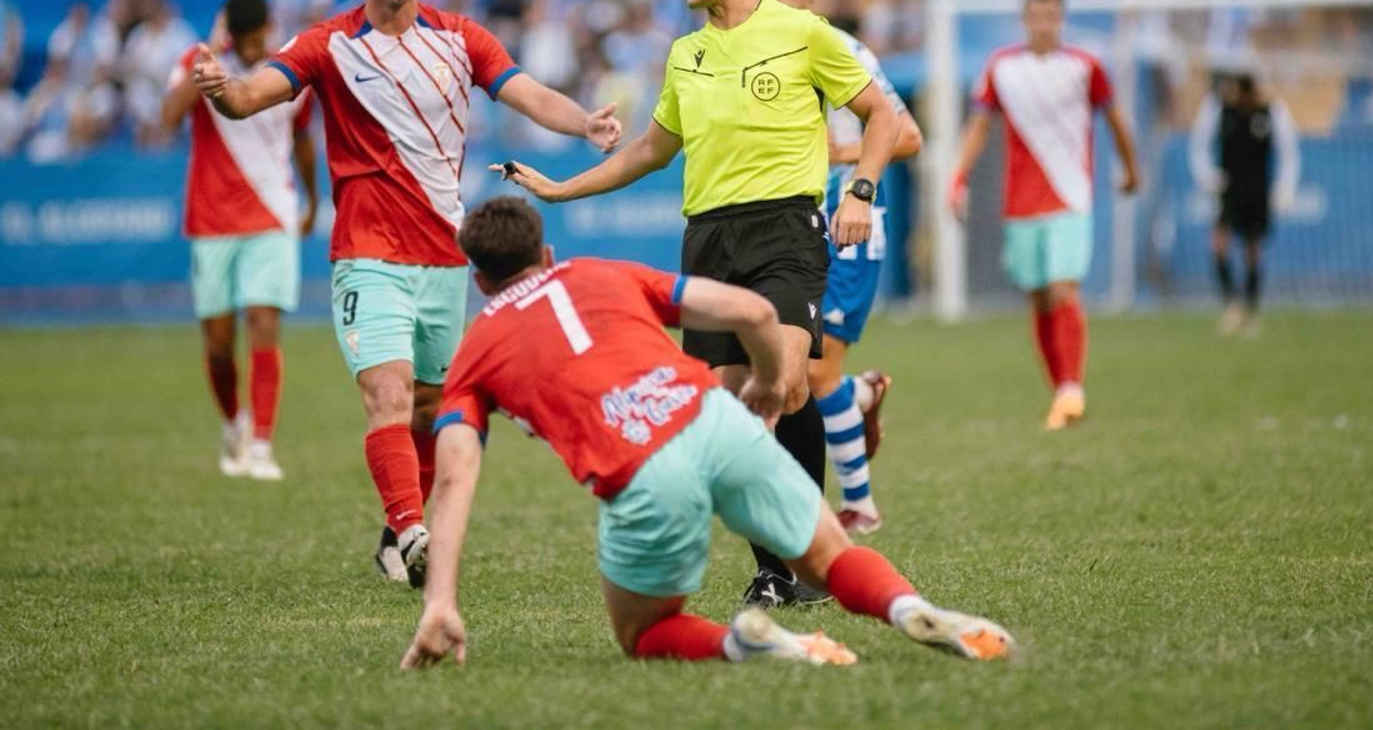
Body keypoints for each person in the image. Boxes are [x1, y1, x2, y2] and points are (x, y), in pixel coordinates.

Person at [191, 0, 623, 585]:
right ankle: (417, 533)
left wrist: (584, 124)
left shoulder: (461, 39)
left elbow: (526, 92)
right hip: (366, 256)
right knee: (387, 397)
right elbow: (251, 99)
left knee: (429, 405)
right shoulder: (327, 44)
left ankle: (397, 534)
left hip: (445, 258)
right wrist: (222, 90)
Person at [400, 198, 1013, 668]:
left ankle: (754, 646)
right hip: (713, 419)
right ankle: (909, 608)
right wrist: (770, 384)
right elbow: (754, 312)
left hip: (641, 470)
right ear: (548, 253)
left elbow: (454, 479)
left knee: (642, 631)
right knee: (830, 559)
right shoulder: (599, 273)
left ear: (478, 281)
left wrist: (440, 602)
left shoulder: (473, 354)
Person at [497, 0, 900, 609]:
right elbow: (654, 149)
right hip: (708, 238)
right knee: (729, 407)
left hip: (785, 229)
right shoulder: (686, 52)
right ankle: (782, 567)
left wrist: (860, 192)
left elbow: (883, 115)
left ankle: (806, 557)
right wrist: (563, 190)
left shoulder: (804, 33)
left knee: (786, 379)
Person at [755, 0, 923, 535]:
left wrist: (843, 154)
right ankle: (860, 399)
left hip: (850, 231)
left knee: (813, 373)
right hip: (784, 228)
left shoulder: (844, 49)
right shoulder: (754, 52)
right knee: (793, 370)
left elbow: (908, 136)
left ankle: (859, 508)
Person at [948, 0, 1141, 431]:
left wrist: (1132, 169)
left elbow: (1114, 120)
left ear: (1061, 18)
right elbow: (979, 127)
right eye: (1035, 14)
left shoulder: (1084, 66)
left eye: (1051, 14)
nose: (1043, 22)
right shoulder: (1002, 67)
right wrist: (957, 178)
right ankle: (1062, 391)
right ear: (1024, 19)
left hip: (1072, 196)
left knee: (1062, 291)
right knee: (1037, 298)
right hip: (1020, 201)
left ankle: (1072, 387)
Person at [162, 0, 319, 480]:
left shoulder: (288, 71)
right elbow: (167, 118)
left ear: (269, 28)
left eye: (259, 40)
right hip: (211, 219)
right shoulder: (198, 60)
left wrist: (313, 200)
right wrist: (206, 58)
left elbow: (301, 139)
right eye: (244, 42)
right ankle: (235, 423)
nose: (252, 51)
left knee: (264, 321)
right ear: (230, 35)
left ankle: (263, 446)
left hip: (273, 212)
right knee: (217, 343)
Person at [1189, 72, 1300, 338]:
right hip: (1229, 188)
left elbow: (1288, 152)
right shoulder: (1218, 110)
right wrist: (1207, 176)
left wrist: (1285, 188)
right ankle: (1231, 304)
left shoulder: (1273, 112)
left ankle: (1250, 311)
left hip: (1257, 190)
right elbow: (1199, 144)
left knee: (1252, 249)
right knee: (1219, 243)